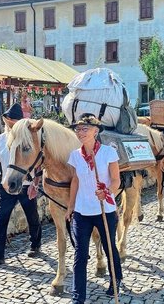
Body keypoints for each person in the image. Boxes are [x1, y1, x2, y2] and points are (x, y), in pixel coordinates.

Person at [64, 113, 123, 303]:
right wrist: (70, 207)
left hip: (104, 210)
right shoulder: (75, 155)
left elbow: (116, 180)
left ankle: (116, 279)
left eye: (85, 129)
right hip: (82, 211)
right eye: (78, 129)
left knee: (108, 246)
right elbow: (75, 181)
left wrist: (106, 192)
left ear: (96, 131)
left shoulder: (108, 152)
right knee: (80, 254)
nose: (80, 132)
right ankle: (78, 296)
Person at [0, 103, 42, 267]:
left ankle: (35, 244)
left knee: (32, 217)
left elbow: (37, 164)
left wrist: (35, 184)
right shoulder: (2, 139)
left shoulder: (27, 139)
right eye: (8, 120)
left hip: (26, 184)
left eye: (14, 121)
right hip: (7, 186)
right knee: (1, 219)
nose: (10, 123)